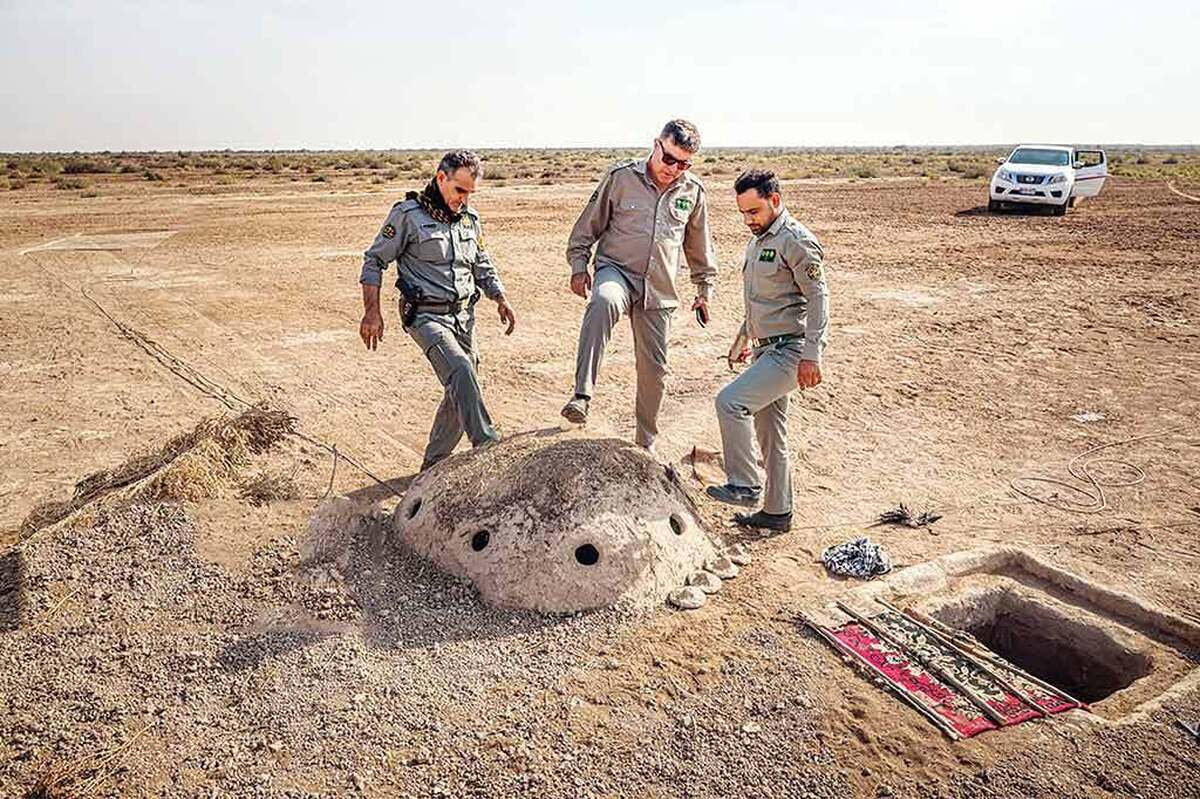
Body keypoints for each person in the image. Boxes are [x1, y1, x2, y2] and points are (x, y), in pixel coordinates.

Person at [561, 119, 718, 455]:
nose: (674, 169)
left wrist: (703, 290)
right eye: (670, 159)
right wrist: (578, 266)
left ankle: (645, 442)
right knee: (602, 302)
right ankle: (582, 396)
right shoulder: (621, 178)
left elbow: (698, 247)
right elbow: (586, 227)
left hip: (659, 289)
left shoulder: (693, 192)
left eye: (684, 164)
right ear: (656, 145)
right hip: (616, 272)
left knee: (655, 370)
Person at [358, 150, 517, 470]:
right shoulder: (407, 215)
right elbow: (374, 261)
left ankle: (433, 465)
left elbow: (481, 263)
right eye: (459, 190)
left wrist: (499, 297)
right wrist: (372, 312)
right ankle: (487, 446)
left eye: (471, 193)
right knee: (461, 370)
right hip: (425, 315)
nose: (465, 199)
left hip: (463, 316)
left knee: (461, 386)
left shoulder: (471, 220)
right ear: (441, 178)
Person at [706, 169, 830, 532]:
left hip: (791, 350)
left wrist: (813, 354)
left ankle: (744, 485)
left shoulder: (796, 240)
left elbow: (819, 298)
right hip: (766, 348)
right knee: (771, 434)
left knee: (730, 402)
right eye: (743, 213)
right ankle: (777, 511)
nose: (748, 220)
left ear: (775, 200)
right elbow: (762, 300)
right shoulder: (759, 239)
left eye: (754, 211)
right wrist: (744, 337)